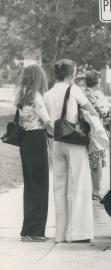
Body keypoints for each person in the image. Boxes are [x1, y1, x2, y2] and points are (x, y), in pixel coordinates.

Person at [44, 59, 98, 243]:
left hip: (56, 141)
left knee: (59, 186)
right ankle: (78, 233)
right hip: (74, 140)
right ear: (70, 74)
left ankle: (60, 233)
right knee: (79, 184)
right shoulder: (73, 90)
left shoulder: (48, 94)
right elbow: (92, 111)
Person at [15, 64, 53, 242]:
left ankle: (28, 229)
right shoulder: (36, 96)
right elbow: (48, 122)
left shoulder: (21, 95)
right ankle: (35, 231)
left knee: (31, 185)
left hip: (25, 141)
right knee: (40, 185)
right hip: (37, 140)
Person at [75, 70, 110, 200]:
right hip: (92, 131)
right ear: (96, 80)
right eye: (99, 78)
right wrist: (105, 111)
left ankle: (95, 189)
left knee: (96, 160)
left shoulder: (86, 92)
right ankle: (95, 191)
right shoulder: (90, 94)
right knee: (96, 161)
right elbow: (100, 111)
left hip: (92, 129)